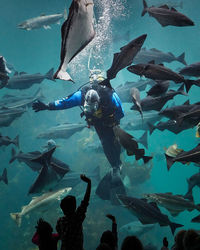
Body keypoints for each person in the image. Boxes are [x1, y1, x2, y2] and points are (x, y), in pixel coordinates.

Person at [32, 72, 126, 202]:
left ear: (98, 102)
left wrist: (112, 121)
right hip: (98, 122)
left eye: (93, 108)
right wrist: (47, 106)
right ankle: (116, 166)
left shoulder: (110, 96)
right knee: (105, 142)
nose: (90, 110)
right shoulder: (80, 96)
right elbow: (64, 102)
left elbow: (121, 113)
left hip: (110, 120)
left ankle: (117, 165)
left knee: (111, 140)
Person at [56, 174, 91, 250]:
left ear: (62, 209)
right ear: (75, 207)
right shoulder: (77, 219)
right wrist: (89, 183)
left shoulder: (60, 221)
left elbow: (59, 233)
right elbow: (85, 202)